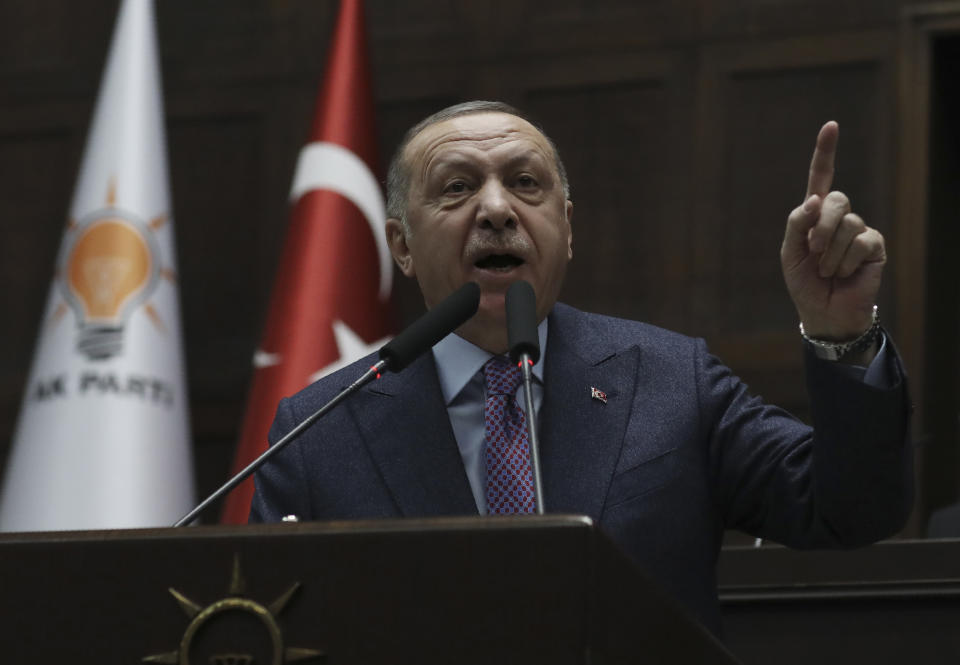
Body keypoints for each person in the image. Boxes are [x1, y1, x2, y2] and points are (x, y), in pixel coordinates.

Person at [250, 101, 913, 635]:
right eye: (457, 187)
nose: (497, 209)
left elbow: (852, 509)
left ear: (566, 227)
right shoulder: (316, 434)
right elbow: (265, 629)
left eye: (525, 183)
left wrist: (841, 335)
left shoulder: (673, 379)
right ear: (401, 244)